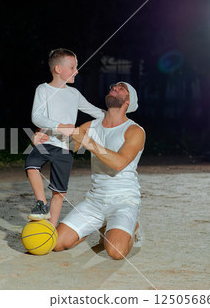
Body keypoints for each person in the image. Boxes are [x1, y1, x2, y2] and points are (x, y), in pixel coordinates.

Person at [47, 81, 145, 260]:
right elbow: (68, 146)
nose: (114, 88)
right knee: (57, 243)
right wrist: (46, 136)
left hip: (124, 200)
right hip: (94, 200)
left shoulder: (134, 130)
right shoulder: (91, 126)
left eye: (121, 88)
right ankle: (103, 227)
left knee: (115, 252)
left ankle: (134, 228)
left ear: (128, 102)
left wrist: (88, 142)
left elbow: (119, 162)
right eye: (113, 87)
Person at [25, 48, 104, 227]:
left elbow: (94, 111)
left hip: (65, 146)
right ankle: (41, 204)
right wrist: (60, 126)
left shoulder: (74, 94)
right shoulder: (43, 89)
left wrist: (116, 115)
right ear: (58, 69)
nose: (76, 71)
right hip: (46, 141)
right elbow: (36, 117)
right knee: (31, 166)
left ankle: (50, 229)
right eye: (72, 67)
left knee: (59, 192)